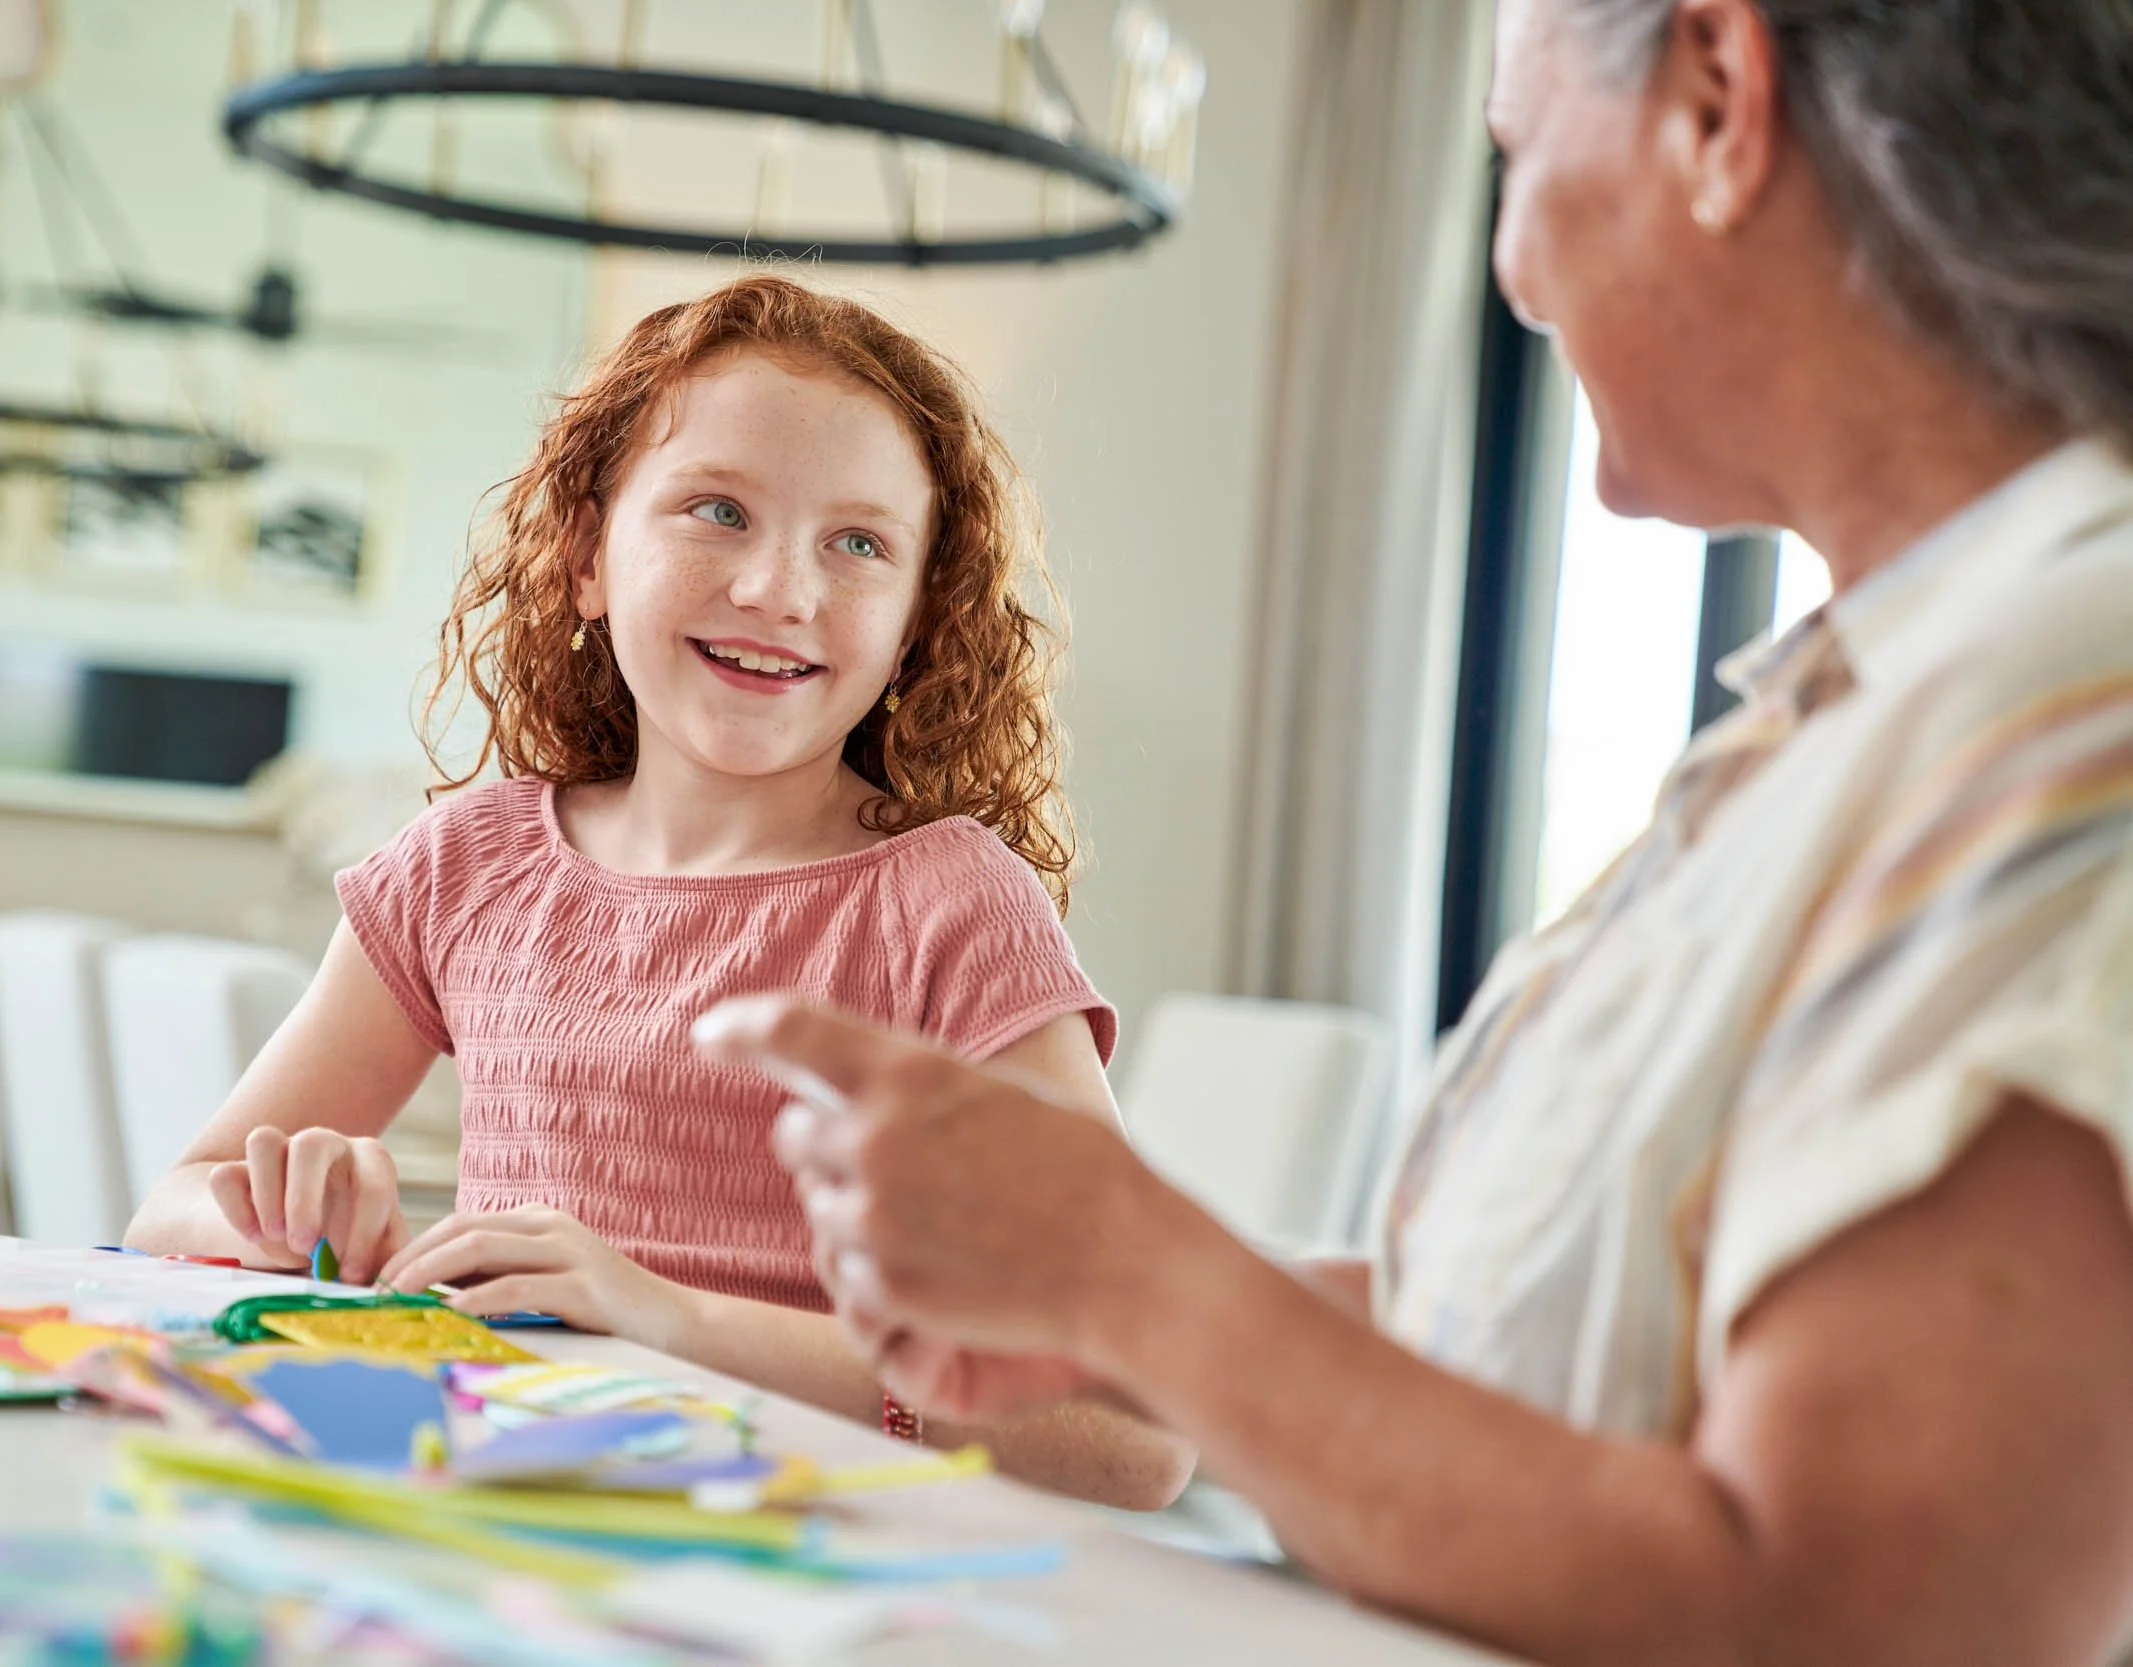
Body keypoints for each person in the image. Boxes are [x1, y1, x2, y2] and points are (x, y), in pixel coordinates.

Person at [702, 1, 2133, 1661]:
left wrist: (1131, 1275)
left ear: (1720, 101)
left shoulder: (2068, 708)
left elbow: (1851, 1609)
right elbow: (1542, 1336)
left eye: (1515, 152)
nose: (1514, 267)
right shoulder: (1867, 705)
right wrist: (1088, 1313)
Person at [124, 275, 1193, 1510]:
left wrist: (668, 1317)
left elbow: (1133, 1428)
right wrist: (276, 1212)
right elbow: (170, 1204)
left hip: (813, 1564)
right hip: (510, 1529)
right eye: (717, 510)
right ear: (585, 555)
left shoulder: (948, 908)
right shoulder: (468, 865)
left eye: (858, 542)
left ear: (916, 622)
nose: (779, 590)